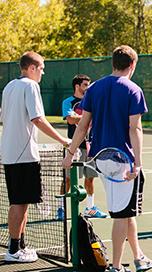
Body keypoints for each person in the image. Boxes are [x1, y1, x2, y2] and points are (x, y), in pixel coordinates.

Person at [62, 45, 152, 272]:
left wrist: (69, 153)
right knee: (122, 216)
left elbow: (83, 125)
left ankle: (138, 257)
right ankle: (115, 267)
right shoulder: (133, 89)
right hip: (124, 161)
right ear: (132, 65)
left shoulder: (94, 88)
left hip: (102, 160)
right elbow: (135, 130)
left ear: (113, 63)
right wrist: (138, 163)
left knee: (126, 211)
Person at [0, 51, 70, 263]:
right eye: (41, 68)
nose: (43, 72)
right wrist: (63, 140)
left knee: (21, 202)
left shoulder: (9, 86)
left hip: (10, 154)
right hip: (24, 155)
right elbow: (38, 119)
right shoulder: (31, 86)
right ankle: (13, 249)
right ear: (31, 68)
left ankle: (19, 245)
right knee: (20, 203)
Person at [58, 74, 107, 220]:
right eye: (85, 84)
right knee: (68, 180)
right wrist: (88, 116)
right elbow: (70, 119)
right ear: (77, 86)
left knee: (90, 178)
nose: (88, 87)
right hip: (75, 147)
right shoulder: (68, 102)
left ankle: (90, 208)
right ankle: (60, 208)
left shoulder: (92, 101)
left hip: (91, 146)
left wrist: (85, 116)